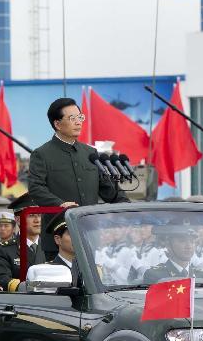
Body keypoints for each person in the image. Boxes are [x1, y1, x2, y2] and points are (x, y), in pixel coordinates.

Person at [27, 98, 129, 255]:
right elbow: (36, 188)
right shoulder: (42, 154)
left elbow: (107, 189)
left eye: (80, 117)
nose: (78, 122)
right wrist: (60, 205)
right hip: (58, 238)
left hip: (90, 236)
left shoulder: (90, 154)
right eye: (72, 118)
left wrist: (128, 206)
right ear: (57, 124)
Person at [0, 211, 21, 288]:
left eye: (6, 226)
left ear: (13, 229)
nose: (2, 229)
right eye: (0, 226)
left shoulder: (21, 246)